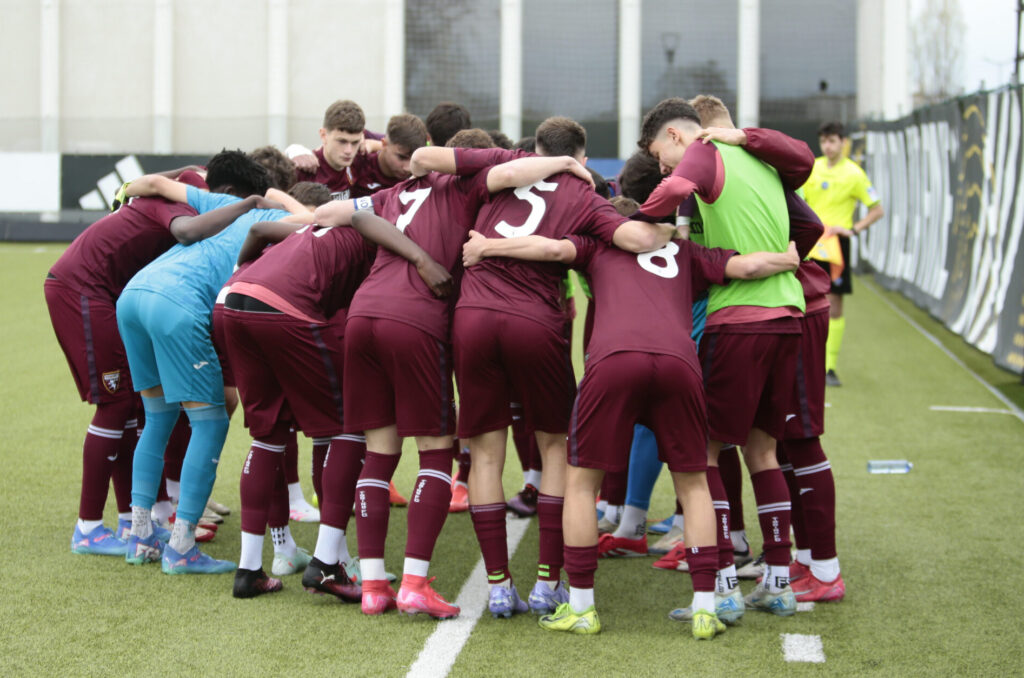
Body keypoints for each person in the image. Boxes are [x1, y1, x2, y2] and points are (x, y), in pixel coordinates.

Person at [460, 223, 800, 638]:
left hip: (614, 361)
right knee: (694, 486)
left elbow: (547, 249)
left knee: (582, 484)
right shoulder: (687, 250)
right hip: (679, 363)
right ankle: (706, 607)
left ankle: (582, 608)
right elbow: (748, 267)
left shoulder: (597, 246)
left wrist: (486, 246)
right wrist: (788, 259)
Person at [320, 128, 595, 618]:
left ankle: (373, 585)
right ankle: (413, 584)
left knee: (378, 454)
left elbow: (333, 214)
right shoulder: (470, 188)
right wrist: (565, 165)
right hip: (419, 319)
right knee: (435, 456)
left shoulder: (390, 194)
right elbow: (509, 173)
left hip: (364, 315)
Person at [415, 115, 676, 618]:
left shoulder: (504, 164)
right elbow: (637, 241)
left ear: (533, 147)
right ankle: (545, 581)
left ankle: (496, 585)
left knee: (486, 452)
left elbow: (425, 159)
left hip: (472, 317)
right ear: (582, 158)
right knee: (557, 447)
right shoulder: (584, 195)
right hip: (535, 321)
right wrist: (677, 225)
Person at [637, 98, 821, 618]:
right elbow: (808, 228)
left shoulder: (703, 149)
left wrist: (635, 232)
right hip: (787, 316)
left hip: (737, 323)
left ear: (676, 135)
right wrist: (779, 263)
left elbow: (673, 191)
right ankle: (780, 582)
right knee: (763, 452)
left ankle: (720, 586)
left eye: (659, 153)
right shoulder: (759, 160)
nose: (663, 166)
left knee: (706, 452)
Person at [116, 151, 312, 574]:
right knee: (210, 421)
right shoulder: (283, 225)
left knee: (157, 418)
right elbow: (318, 220)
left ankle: (141, 536)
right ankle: (182, 546)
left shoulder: (220, 202)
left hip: (134, 296)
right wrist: (282, 198)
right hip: (178, 304)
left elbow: (155, 184)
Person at [46, 168, 222, 556]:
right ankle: (88, 529)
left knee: (131, 406)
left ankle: (132, 521)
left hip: (102, 294)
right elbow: (187, 231)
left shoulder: (179, 188)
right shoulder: (176, 201)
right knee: (116, 404)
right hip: (82, 290)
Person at [802, 121, 884, 386]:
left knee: (834, 303)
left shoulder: (855, 174)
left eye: (833, 140)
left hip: (837, 246)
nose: (828, 145)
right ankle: (803, 362)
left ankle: (829, 367)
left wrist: (853, 229)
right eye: (824, 140)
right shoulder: (811, 167)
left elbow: (876, 209)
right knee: (802, 300)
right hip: (812, 243)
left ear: (843, 142)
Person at [286, 100, 369, 200]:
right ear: (323, 135)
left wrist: (373, 145)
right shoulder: (305, 169)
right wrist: (291, 150)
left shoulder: (360, 160)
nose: (349, 151)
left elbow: (390, 143)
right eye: (342, 141)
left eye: (355, 142)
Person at [349, 113, 429, 198]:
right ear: (384, 144)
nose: (408, 168)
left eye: (413, 159)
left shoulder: (423, 174)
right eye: (401, 157)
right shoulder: (359, 163)